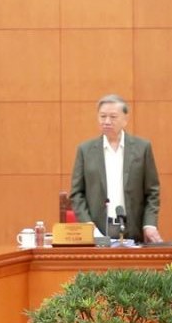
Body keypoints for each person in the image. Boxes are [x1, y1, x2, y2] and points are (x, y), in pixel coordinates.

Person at [67, 94, 163, 243]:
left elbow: (152, 192)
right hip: (97, 231)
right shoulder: (85, 150)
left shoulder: (142, 148)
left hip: (133, 231)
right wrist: (87, 225)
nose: (106, 121)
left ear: (125, 119)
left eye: (113, 117)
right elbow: (76, 193)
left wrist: (149, 224)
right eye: (102, 116)